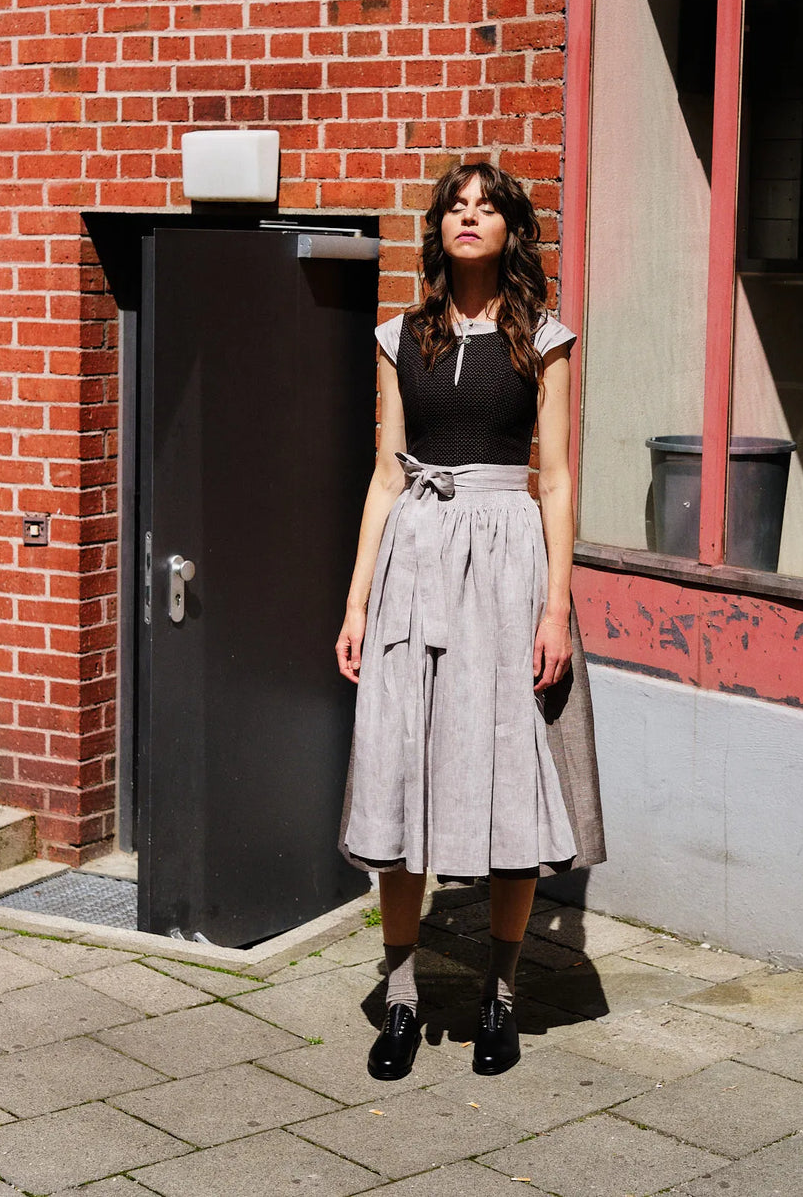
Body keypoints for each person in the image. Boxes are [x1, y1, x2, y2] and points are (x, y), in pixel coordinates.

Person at [335, 160, 605, 1081]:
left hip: (506, 564)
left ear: (512, 230)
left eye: (487, 207)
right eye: (455, 205)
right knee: (403, 767)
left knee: (508, 774)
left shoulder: (547, 341)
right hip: (415, 557)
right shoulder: (397, 335)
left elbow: (559, 479)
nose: (469, 217)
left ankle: (500, 992)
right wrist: (358, 596)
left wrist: (556, 604)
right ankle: (403, 995)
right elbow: (384, 471)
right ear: (438, 228)